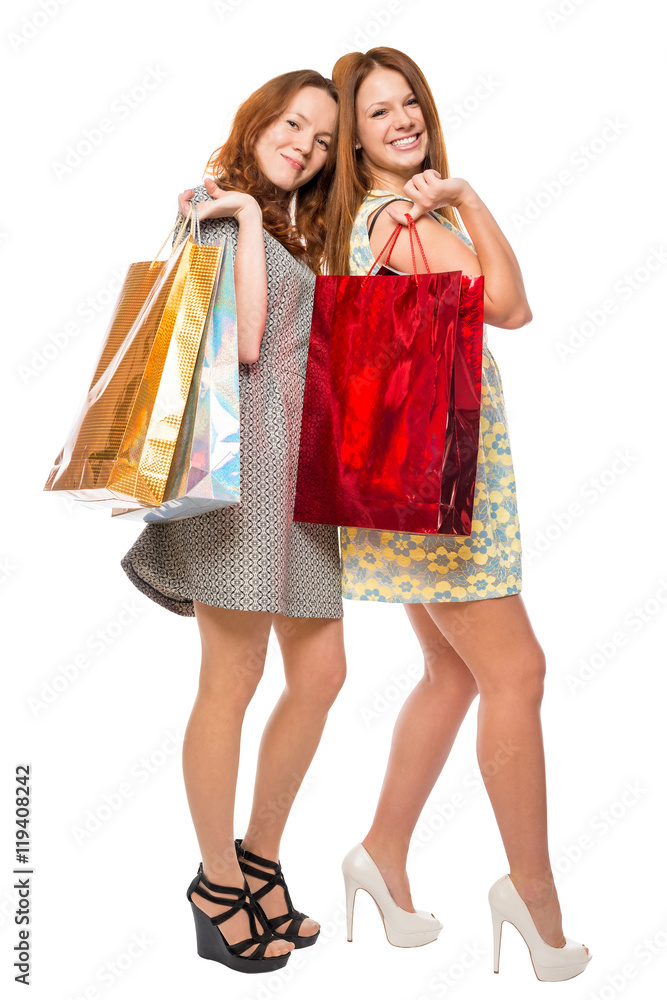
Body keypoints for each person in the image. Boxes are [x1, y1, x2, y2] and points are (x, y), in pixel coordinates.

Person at [326, 48, 591, 981]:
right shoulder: (403, 218)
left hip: (401, 492)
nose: (401, 120)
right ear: (355, 142)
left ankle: (381, 854)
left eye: (409, 104)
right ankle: (533, 895)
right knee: (516, 670)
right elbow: (512, 306)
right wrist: (466, 197)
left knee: (450, 673)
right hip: (438, 489)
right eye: (377, 115)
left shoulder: (363, 222)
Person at [120, 70, 346, 975]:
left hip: (298, 481)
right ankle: (218, 887)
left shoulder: (283, 225)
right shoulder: (220, 211)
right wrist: (245, 220)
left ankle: (258, 858)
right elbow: (247, 342)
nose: (305, 144)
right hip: (239, 477)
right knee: (233, 678)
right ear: (258, 122)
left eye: (323, 138)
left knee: (321, 672)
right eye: (294, 124)